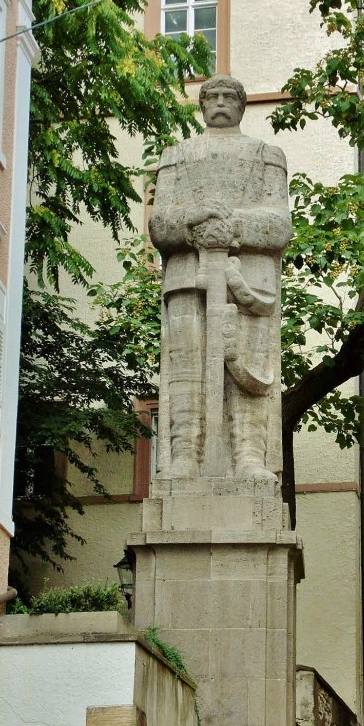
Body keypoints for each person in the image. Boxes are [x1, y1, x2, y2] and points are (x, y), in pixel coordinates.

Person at [149, 75, 291, 481]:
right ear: (202, 104)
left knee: (247, 369)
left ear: (243, 106)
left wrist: (232, 226)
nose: (222, 102)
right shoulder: (176, 155)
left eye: (231, 96)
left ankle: (249, 457)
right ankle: (184, 456)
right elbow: (160, 225)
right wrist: (194, 223)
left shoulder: (268, 154)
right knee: (185, 369)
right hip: (186, 280)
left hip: (250, 282)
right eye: (213, 96)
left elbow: (279, 225)